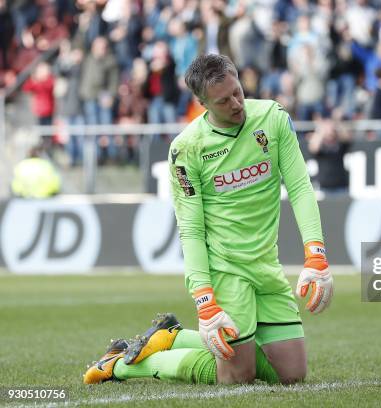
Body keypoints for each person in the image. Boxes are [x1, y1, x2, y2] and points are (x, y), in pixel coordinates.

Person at [83, 54, 333, 385]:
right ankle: (122, 365)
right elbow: (191, 231)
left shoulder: (272, 118)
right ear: (202, 103)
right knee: (236, 376)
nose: (236, 104)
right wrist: (204, 300)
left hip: (266, 265)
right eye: (223, 100)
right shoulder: (187, 149)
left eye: (238, 92)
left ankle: (171, 337)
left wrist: (315, 254)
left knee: (292, 374)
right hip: (225, 271)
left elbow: (300, 187)